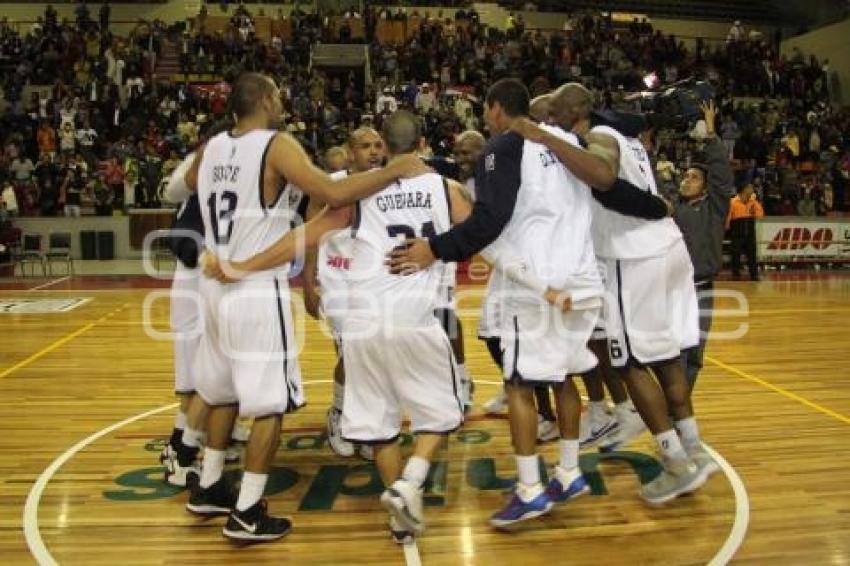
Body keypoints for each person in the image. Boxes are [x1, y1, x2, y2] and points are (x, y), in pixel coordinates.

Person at [202, 109, 569, 538]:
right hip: (416, 320)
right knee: (442, 417)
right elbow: (489, 244)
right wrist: (543, 287)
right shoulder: (445, 187)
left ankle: (399, 510)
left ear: (385, 148)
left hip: (360, 324)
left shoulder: (357, 195)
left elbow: (304, 237)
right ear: (422, 146)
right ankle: (410, 482)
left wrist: (241, 266)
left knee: (378, 427)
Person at [181, 73, 428, 543]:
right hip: (254, 284)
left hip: (214, 283)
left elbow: (192, 182)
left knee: (222, 392)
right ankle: (248, 511)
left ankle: (209, 485)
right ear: (266, 100)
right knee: (270, 404)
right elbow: (334, 194)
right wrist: (396, 169)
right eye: (278, 96)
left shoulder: (212, 146)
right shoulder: (276, 144)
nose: (282, 103)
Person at [386, 80, 605, 527]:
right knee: (563, 377)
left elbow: (490, 221)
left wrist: (436, 248)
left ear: (497, 108)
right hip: (583, 277)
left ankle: (529, 490)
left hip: (539, 285)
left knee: (520, 386)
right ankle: (568, 471)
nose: (486, 120)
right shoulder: (569, 142)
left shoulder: (502, 148)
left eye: (486, 111)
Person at [508, 82, 718, 505]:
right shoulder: (620, 139)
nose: (544, 122)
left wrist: (655, 205)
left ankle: (675, 462)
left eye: (551, 113)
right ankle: (694, 445)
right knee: (664, 356)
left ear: (576, 110)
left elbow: (606, 180)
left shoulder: (598, 138)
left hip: (632, 256)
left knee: (630, 363)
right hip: (666, 248)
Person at [302, 127, 386, 460]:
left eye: (378, 145)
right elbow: (309, 232)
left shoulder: (389, 182)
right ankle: (339, 414)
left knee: (374, 355)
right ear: (349, 153)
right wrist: (308, 280)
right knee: (351, 354)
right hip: (339, 281)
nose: (373, 151)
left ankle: (363, 421)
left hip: (376, 281)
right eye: (365, 146)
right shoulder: (328, 185)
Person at [673, 100, 735, 390]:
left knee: (695, 355)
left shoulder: (714, 208)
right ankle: (669, 406)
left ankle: (679, 410)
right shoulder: (670, 209)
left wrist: (710, 134)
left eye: (694, 177)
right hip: (673, 290)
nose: (687, 180)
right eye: (685, 176)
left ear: (706, 186)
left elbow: (722, 173)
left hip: (703, 290)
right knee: (675, 352)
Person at [726, 183, 764, 281]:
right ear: (743, 189)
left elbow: (760, 214)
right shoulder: (733, 202)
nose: (752, 189)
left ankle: (753, 275)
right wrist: (727, 227)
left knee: (752, 254)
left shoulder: (752, 202)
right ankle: (736, 275)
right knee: (735, 255)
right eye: (750, 188)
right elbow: (728, 216)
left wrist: (754, 201)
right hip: (737, 230)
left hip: (750, 230)